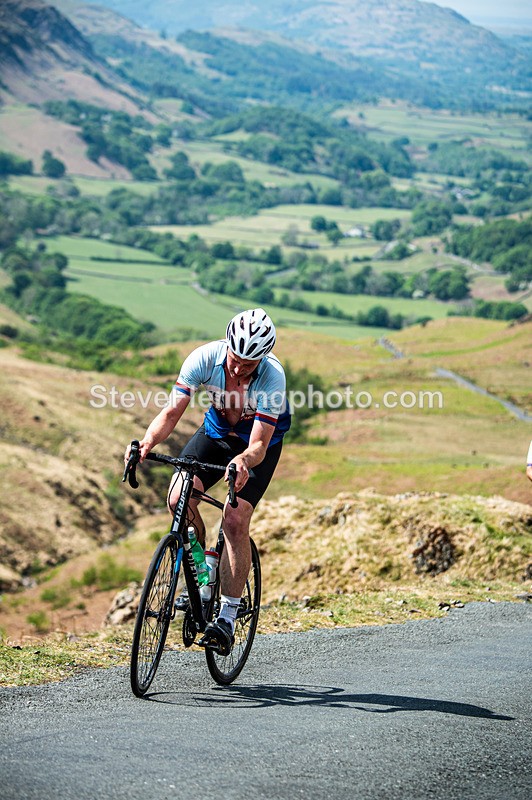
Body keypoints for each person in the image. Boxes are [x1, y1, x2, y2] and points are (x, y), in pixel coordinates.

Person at [125, 308, 290, 655]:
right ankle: (203, 568)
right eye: (235, 357)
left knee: (234, 518)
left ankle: (228, 616)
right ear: (226, 344)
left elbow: (258, 444)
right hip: (216, 434)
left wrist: (242, 461)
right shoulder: (203, 358)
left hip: (255, 446)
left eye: (249, 363)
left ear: (262, 358)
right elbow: (172, 411)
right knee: (178, 498)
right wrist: (147, 443)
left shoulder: (272, 377)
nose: (238, 367)